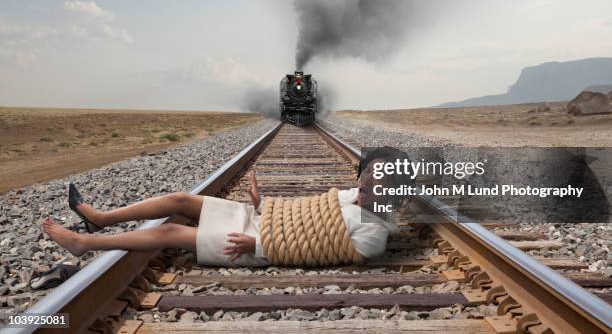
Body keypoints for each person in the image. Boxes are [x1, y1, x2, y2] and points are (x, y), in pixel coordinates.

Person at [43, 169, 394, 266]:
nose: (358, 192)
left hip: (261, 245)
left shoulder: (373, 236)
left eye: (368, 191)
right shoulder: (354, 197)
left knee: (169, 233)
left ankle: (85, 243)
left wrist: (259, 243)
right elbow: (303, 215)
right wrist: (263, 203)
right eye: (361, 185)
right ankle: (101, 218)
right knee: (180, 200)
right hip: (263, 222)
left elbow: (318, 251)